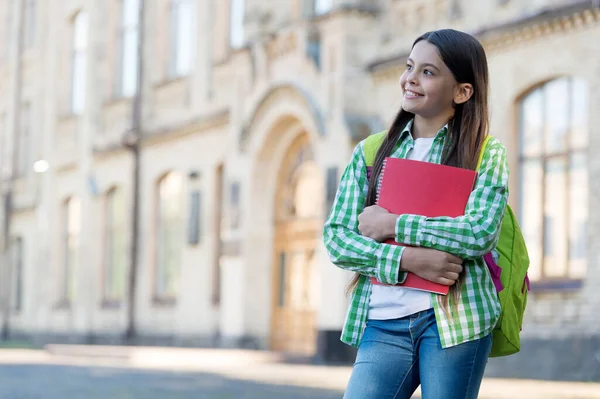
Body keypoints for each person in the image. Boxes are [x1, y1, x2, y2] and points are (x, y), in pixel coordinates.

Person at [322, 29, 509, 399]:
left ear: (462, 91)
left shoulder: (486, 152)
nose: (410, 78)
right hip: (383, 321)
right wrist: (408, 258)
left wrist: (392, 224)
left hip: (456, 321)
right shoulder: (371, 152)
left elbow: (478, 232)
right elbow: (338, 239)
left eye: (428, 71)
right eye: (410, 67)